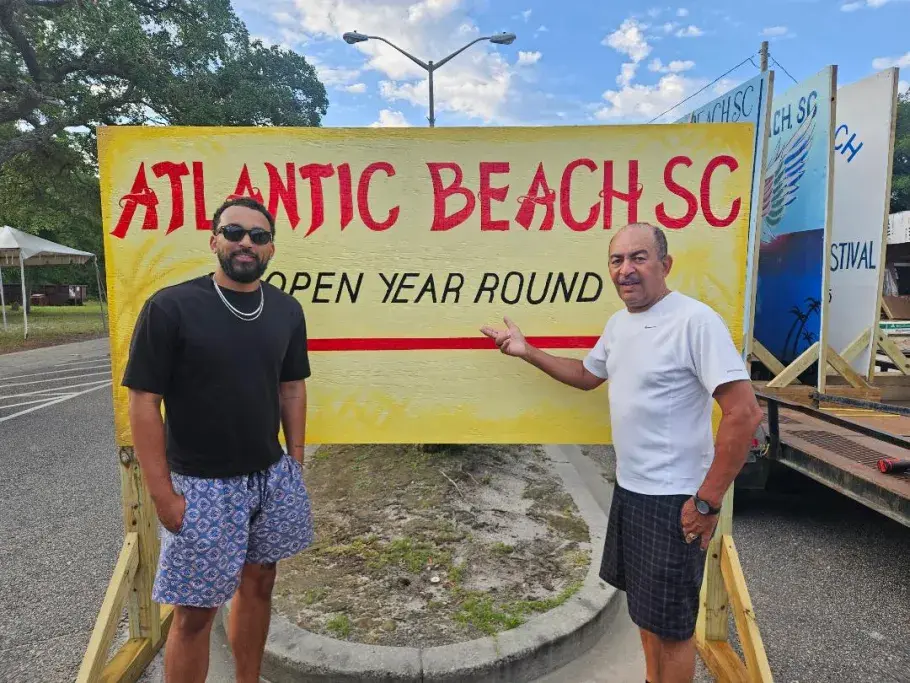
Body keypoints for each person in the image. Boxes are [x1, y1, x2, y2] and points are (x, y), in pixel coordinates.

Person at [480, 222, 763, 683]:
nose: (626, 270)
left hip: (675, 501)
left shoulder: (694, 321)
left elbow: (744, 414)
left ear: (665, 264)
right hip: (631, 492)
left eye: (639, 258)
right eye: (617, 260)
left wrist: (707, 501)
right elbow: (588, 375)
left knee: (672, 631)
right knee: (646, 617)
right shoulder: (619, 325)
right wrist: (527, 351)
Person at [122, 196, 314, 683]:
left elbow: (291, 387)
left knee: (260, 584)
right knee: (194, 615)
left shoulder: (287, 311)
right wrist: (162, 493)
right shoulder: (171, 307)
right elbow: (144, 401)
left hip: (269, 478)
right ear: (214, 241)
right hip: (202, 485)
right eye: (234, 232)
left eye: (258, 235)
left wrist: (294, 461)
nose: (246, 242)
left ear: (271, 249)